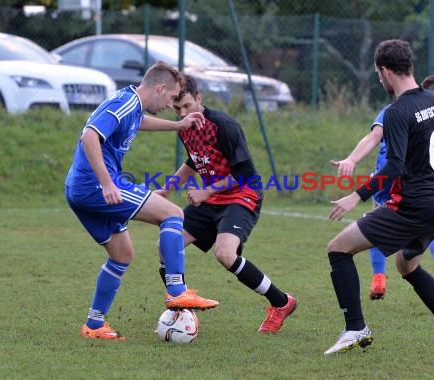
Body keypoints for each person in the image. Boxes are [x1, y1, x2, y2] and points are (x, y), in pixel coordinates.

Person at [324, 39, 434, 355]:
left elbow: (395, 166)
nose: (380, 80)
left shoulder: (396, 111)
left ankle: (355, 329)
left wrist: (356, 195)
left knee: (338, 249)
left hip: (412, 207)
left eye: (379, 74)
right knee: (407, 265)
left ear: (386, 71)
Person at [65, 61, 219, 341]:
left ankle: (95, 324)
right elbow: (89, 136)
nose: (171, 104)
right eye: (172, 98)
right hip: (95, 185)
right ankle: (176, 291)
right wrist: (108, 182)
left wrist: (178, 125)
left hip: (79, 189)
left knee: (122, 254)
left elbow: (139, 122)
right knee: (172, 213)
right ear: (160, 88)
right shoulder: (125, 103)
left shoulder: (131, 106)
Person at [330, 75, 434, 314]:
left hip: (391, 179)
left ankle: (378, 276)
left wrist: (352, 159)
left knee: (375, 225)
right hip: (418, 184)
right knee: (429, 229)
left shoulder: (393, 109)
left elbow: (373, 136)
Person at [157, 75, 296, 334]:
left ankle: (281, 302)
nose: (183, 113)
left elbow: (244, 173)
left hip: (242, 193)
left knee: (225, 253)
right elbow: (193, 161)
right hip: (211, 198)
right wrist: (165, 190)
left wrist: (206, 191)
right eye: (177, 109)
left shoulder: (224, 125)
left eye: (187, 106)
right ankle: (182, 306)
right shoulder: (184, 128)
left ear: (199, 99)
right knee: (166, 246)